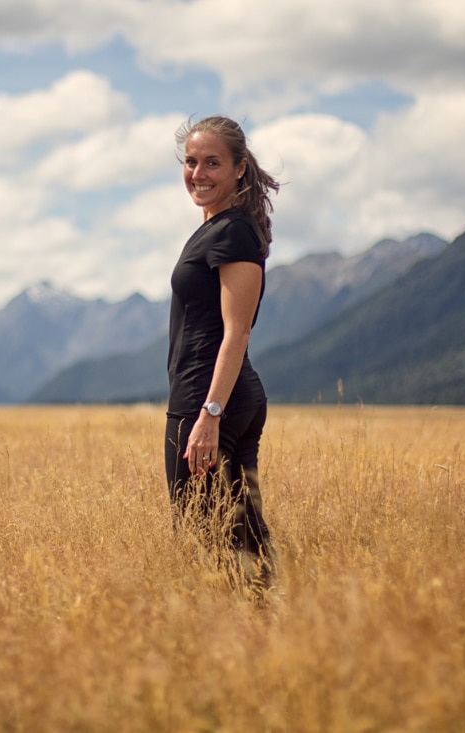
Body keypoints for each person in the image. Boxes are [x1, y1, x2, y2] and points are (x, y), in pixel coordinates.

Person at [165, 115, 279, 591]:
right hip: (222, 399)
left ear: (239, 169)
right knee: (241, 535)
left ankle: (244, 639)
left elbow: (237, 333)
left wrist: (209, 414)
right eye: (191, 162)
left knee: (207, 536)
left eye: (213, 162)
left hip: (209, 402)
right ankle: (274, 631)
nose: (199, 173)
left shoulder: (233, 232)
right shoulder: (217, 228)